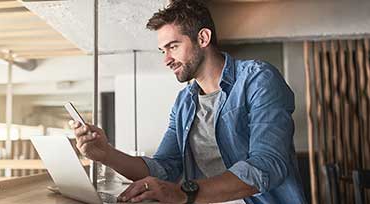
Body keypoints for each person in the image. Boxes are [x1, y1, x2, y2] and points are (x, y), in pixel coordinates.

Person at [70, 0, 306, 203]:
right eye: (163, 50)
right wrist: (105, 154)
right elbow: (164, 168)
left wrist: (184, 193)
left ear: (203, 38)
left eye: (173, 46)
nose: (167, 59)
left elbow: (267, 165)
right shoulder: (185, 102)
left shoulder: (257, 79)